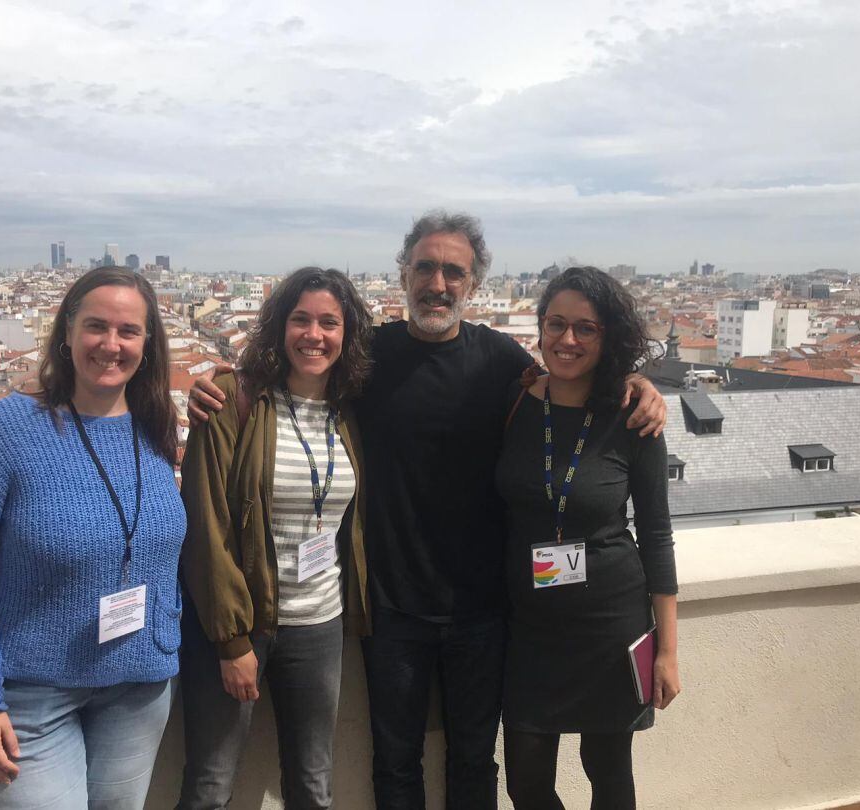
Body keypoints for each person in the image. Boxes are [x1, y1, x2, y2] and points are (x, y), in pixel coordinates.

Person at [185, 211, 667, 809]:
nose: (438, 283)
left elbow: (571, 380)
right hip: (391, 607)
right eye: (425, 268)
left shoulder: (501, 362)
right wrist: (218, 380)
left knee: (474, 761)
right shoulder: (367, 356)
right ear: (404, 274)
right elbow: (296, 370)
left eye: (453, 272)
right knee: (395, 764)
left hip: (483, 608)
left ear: (474, 283)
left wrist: (638, 385)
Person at [0, 266, 185, 809]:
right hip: (29, 697)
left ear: (147, 344)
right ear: (67, 333)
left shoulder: (156, 426)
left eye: (129, 331)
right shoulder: (6, 430)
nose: (111, 344)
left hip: (138, 688)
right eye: (97, 326)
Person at [177, 267, 374, 809]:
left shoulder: (349, 411)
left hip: (320, 623)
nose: (314, 335)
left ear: (347, 333)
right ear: (280, 326)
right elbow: (206, 525)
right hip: (243, 624)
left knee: (314, 786)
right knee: (210, 787)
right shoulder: (230, 399)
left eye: (329, 323)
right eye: (300, 320)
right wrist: (232, 641)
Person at [496, 266, 680, 810]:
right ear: (540, 328)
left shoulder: (633, 416)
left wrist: (668, 651)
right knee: (526, 782)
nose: (567, 339)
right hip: (528, 628)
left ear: (608, 337)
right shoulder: (514, 402)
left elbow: (656, 535)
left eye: (586, 328)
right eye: (556, 324)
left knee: (608, 772)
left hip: (609, 624)